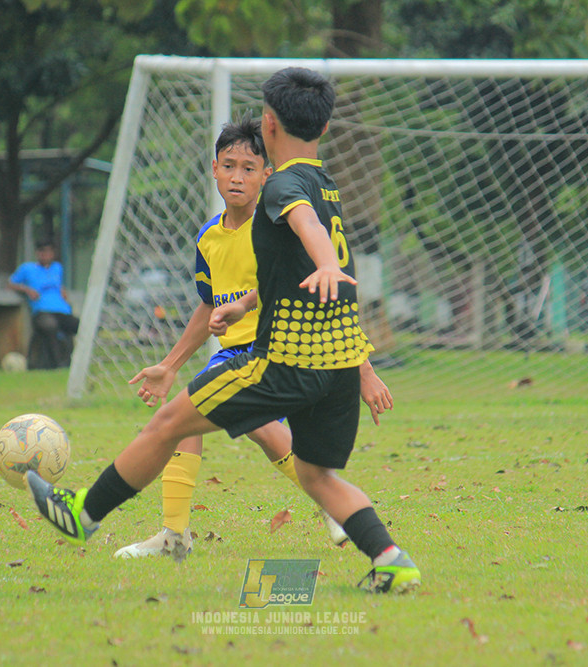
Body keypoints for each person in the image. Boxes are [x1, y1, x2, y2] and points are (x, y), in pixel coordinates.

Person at [26, 66, 420, 594]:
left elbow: (307, 231)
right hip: (337, 367)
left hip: (284, 361)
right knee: (316, 475)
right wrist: (246, 305)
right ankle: (391, 559)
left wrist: (327, 262)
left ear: (269, 124)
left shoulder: (283, 185)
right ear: (324, 129)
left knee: (168, 423)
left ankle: (83, 514)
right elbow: (299, 262)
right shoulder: (325, 185)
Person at [114, 115, 394, 559]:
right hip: (233, 355)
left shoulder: (278, 227)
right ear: (214, 169)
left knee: (259, 426)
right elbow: (208, 305)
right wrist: (169, 365)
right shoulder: (208, 237)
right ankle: (174, 535)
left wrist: (364, 369)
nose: (237, 177)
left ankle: (332, 503)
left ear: (267, 174)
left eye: (249, 168)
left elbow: (331, 294)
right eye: (229, 166)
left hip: (283, 351)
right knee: (182, 422)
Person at [8, 239, 79, 369]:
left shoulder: (57, 268)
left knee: (79, 326)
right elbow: (11, 284)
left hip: (62, 310)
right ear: (37, 253)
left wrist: (62, 290)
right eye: (42, 252)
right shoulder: (27, 268)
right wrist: (27, 290)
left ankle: (77, 362)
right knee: (50, 326)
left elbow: (58, 284)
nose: (45, 255)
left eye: (48, 252)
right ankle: (56, 364)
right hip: (42, 311)